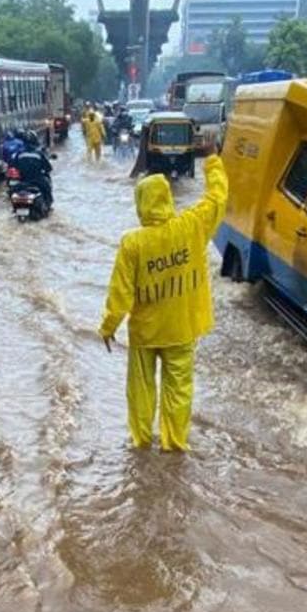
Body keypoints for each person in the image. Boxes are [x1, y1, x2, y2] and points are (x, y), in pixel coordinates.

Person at [98, 154, 228, 451]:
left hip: (145, 332)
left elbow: (120, 295)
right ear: (168, 198)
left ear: (141, 203)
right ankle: (174, 443)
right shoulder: (192, 226)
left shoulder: (133, 243)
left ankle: (141, 441)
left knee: (141, 390)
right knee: (179, 389)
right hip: (181, 329)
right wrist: (212, 163)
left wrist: (108, 328)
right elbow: (218, 198)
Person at [12, 130, 53, 210]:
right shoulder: (39, 154)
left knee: (13, 191)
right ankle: (48, 207)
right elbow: (48, 168)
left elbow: (14, 165)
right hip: (37, 180)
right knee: (47, 190)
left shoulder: (19, 153)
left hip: (23, 181)